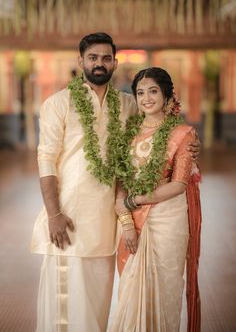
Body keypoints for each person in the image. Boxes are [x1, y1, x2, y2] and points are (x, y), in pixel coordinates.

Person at [31, 33, 200, 332]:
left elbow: (158, 126)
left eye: (106, 58)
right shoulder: (58, 103)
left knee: (99, 300)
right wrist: (54, 214)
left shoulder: (127, 105)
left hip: (109, 222)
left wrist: (190, 144)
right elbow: (45, 159)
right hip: (68, 216)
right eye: (93, 57)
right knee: (66, 303)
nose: (100, 63)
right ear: (80, 60)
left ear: (115, 62)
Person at [109, 67, 201, 332]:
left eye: (152, 91)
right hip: (133, 220)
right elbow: (121, 182)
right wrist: (127, 223)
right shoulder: (128, 133)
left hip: (168, 219)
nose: (146, 98)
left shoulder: (183, 133)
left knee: (166, 288)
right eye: (140, 92)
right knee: (131, 288)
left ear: (166, 95)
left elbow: (179, 184)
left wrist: (134, 201)